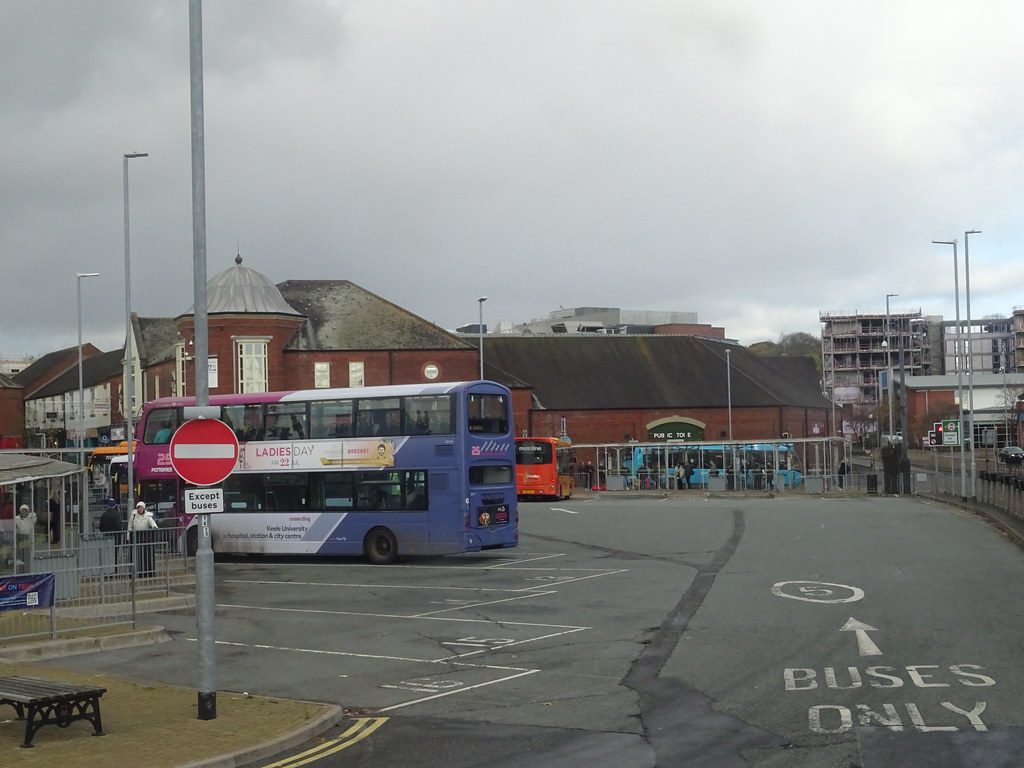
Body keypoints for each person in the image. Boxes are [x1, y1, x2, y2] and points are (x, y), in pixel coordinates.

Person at [128, 501, 159, 576]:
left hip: (144, 537)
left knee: (145, 555)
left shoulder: (148, 516)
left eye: (141, 508)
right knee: (136, 555)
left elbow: (151, 522)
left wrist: (154, 527)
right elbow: (129, 526)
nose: (140, 509)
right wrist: (128, 536)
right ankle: (135, 572)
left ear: (143, 508)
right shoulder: (133, 515)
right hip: (135, 536)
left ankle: (146, 572)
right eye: (139, 508)